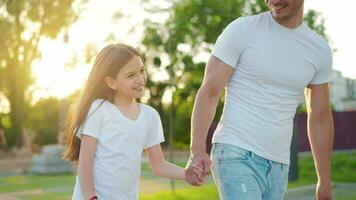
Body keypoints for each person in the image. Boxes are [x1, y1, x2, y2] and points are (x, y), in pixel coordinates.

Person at [186, 0, 334, 199]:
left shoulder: (319, 49)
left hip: (279, 165)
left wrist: (324, 180)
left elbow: (320, 117)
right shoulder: (242, 30)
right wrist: (197, 150)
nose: (272, 1)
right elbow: (210, 91)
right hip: (235, 152)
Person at [63, 43, 204, 200]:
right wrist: (91, 198)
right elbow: (85, 164)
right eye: (131, 75)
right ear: (111, 82)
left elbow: (159, 165)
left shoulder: (150, 116)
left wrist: (186, 174)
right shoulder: (99, 109)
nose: (140, 79)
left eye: (142, 71)